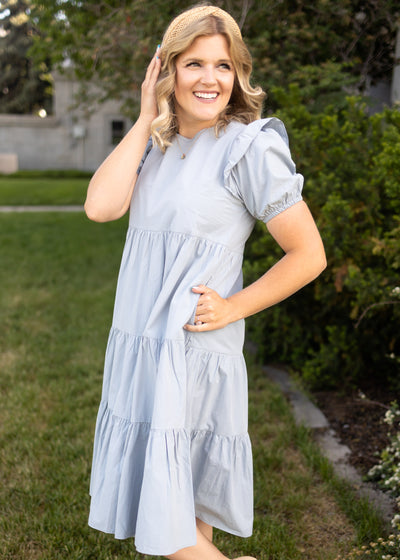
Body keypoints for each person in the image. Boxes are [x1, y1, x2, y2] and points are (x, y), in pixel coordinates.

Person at [84, 4, 326, 560]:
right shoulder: (154, 143)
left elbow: (308, 254)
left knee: (168, 518)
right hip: (139, 344)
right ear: (166, 70)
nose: (209, 79)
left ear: (237, 73)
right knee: (184, 504)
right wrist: (146, 116)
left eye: (222, 65)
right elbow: (100, 207)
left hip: (192, 348)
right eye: (193, 64)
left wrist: (233, 307)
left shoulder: (248, 146)